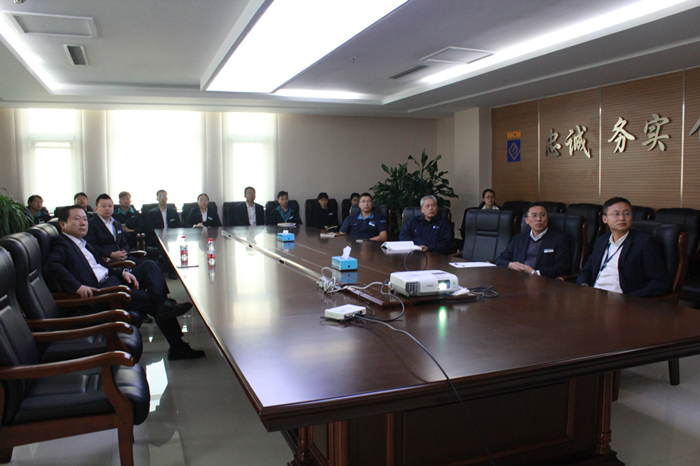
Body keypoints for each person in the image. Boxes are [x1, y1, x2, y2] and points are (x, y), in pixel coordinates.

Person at [44, 205, 205, 360]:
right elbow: (52, 266)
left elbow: (103, 266)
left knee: (149, 265)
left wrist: (122, 272)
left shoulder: (82, 243)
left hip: (112, 280)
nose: (83, 223)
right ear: (63, 224)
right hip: (103, 293)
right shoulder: (62, 243)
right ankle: (177, 345)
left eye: (85, 219)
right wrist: (76, 286)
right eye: (77, 219)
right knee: (153, 301)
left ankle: (164, 305)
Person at [577, 197, 670, 297]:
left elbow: (660, 282)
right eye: (616, 214)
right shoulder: (601, 241)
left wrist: (630, 299)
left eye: (627, 213)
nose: (622, 218)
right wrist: (584, 287)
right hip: (594, 296)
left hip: (622, 300)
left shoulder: (644, 243)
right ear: (605, 219)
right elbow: (587, 270)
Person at [495, 202, 570, 278]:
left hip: (542, 281)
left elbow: (562, 267)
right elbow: (500, 259)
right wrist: (510, 265)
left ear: (547, 218)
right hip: (517, 279)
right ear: (527, 220)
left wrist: (534, 272)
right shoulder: (518, 239)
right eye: (534, 215)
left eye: (542, 215)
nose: (538, 219)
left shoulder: (559, 240)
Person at [85, 193, 135, 262]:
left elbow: (124, 243)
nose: (107, 209)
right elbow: (91, 246)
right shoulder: (91, 224)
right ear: (96, 208)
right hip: (107, 261)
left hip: (123, 259)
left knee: (148, 263)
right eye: (103, 206)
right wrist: (111, 254)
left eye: (110, 206)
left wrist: (124, 253)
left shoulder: (117, 224)